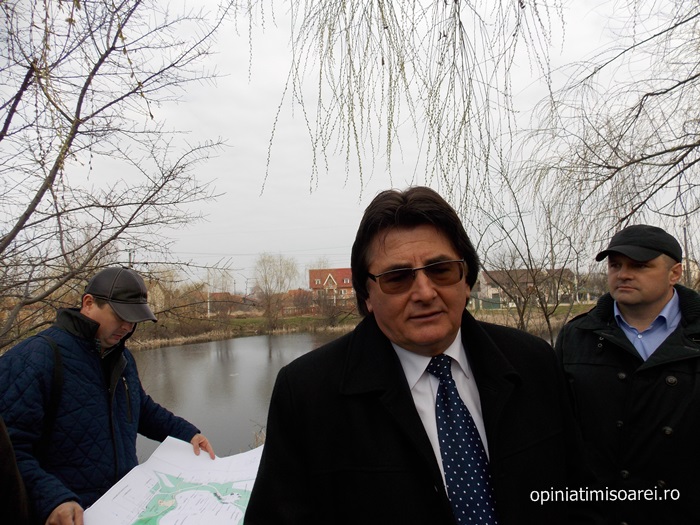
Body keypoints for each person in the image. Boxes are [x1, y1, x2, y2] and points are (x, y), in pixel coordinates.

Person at [246, 186, 589, 525]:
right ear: (367, 295)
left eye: (441, 270)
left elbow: (581, 497)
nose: (425, 292)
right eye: (397, 278)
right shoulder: (307, 395)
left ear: (466, 279)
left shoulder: (534, 363)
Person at [0, 267, 215, 525]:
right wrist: (52, 499)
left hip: (124, 509)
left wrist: (186, 433)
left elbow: (141, 408)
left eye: (134, 319)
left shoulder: (121, 357)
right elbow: (10, 450)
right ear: (88, 303)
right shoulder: (34, 358)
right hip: (72, 515)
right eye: (120, 316)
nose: (127, 326)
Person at [555, 224, 700, 524]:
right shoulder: (576, 337)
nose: (623, 274)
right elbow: (557, 430)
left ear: (675, 273)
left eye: (639, 266)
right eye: (615, 265)